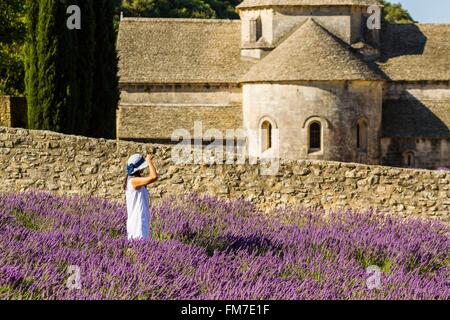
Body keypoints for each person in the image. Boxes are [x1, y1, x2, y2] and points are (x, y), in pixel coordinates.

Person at [124, 154, 158, 240]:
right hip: (137, 222)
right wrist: (149, 162)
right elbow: (154, 177)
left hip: (140, 220)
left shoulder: (133, 180)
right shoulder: (133, 181)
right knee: (139, 248)